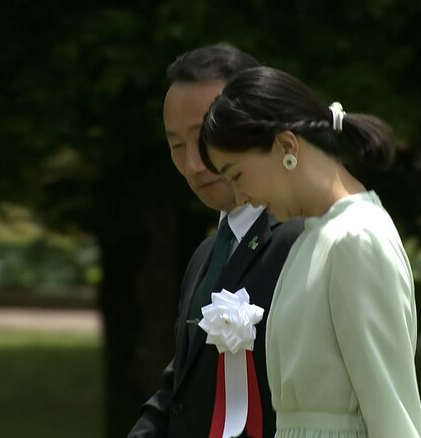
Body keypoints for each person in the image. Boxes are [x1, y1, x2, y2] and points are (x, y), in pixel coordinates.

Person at [198, 67, 421, 437]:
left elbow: (393, 413)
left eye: (236, 175)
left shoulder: (357, 238)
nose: (240, 197)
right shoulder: (311, 238)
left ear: (286, 147)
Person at [128, 44, 303, 437]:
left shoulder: (304, 243)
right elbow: (182, 392)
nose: (193, 164)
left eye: (204, 136)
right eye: (176, 146)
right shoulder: (205, 256)